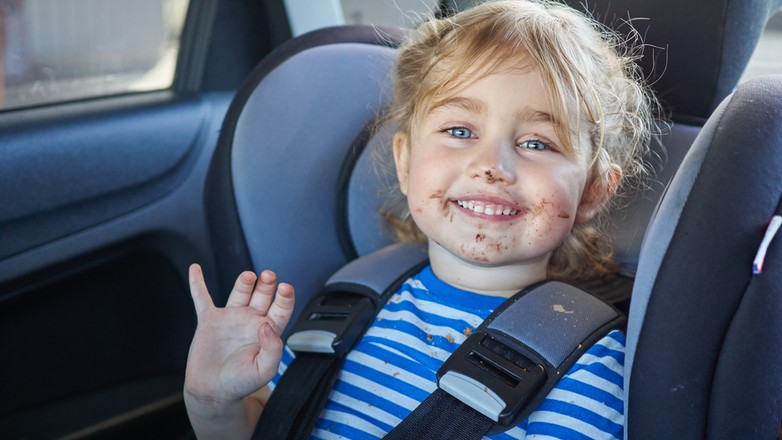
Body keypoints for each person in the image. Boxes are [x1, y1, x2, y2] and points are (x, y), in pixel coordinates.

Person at [184, 0, 657, 438]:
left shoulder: (585, 367)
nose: (491, 166)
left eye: (537, 143)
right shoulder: (349, 303)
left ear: (594, 190)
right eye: (459, 130)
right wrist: (213, 401)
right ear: (405, 163)